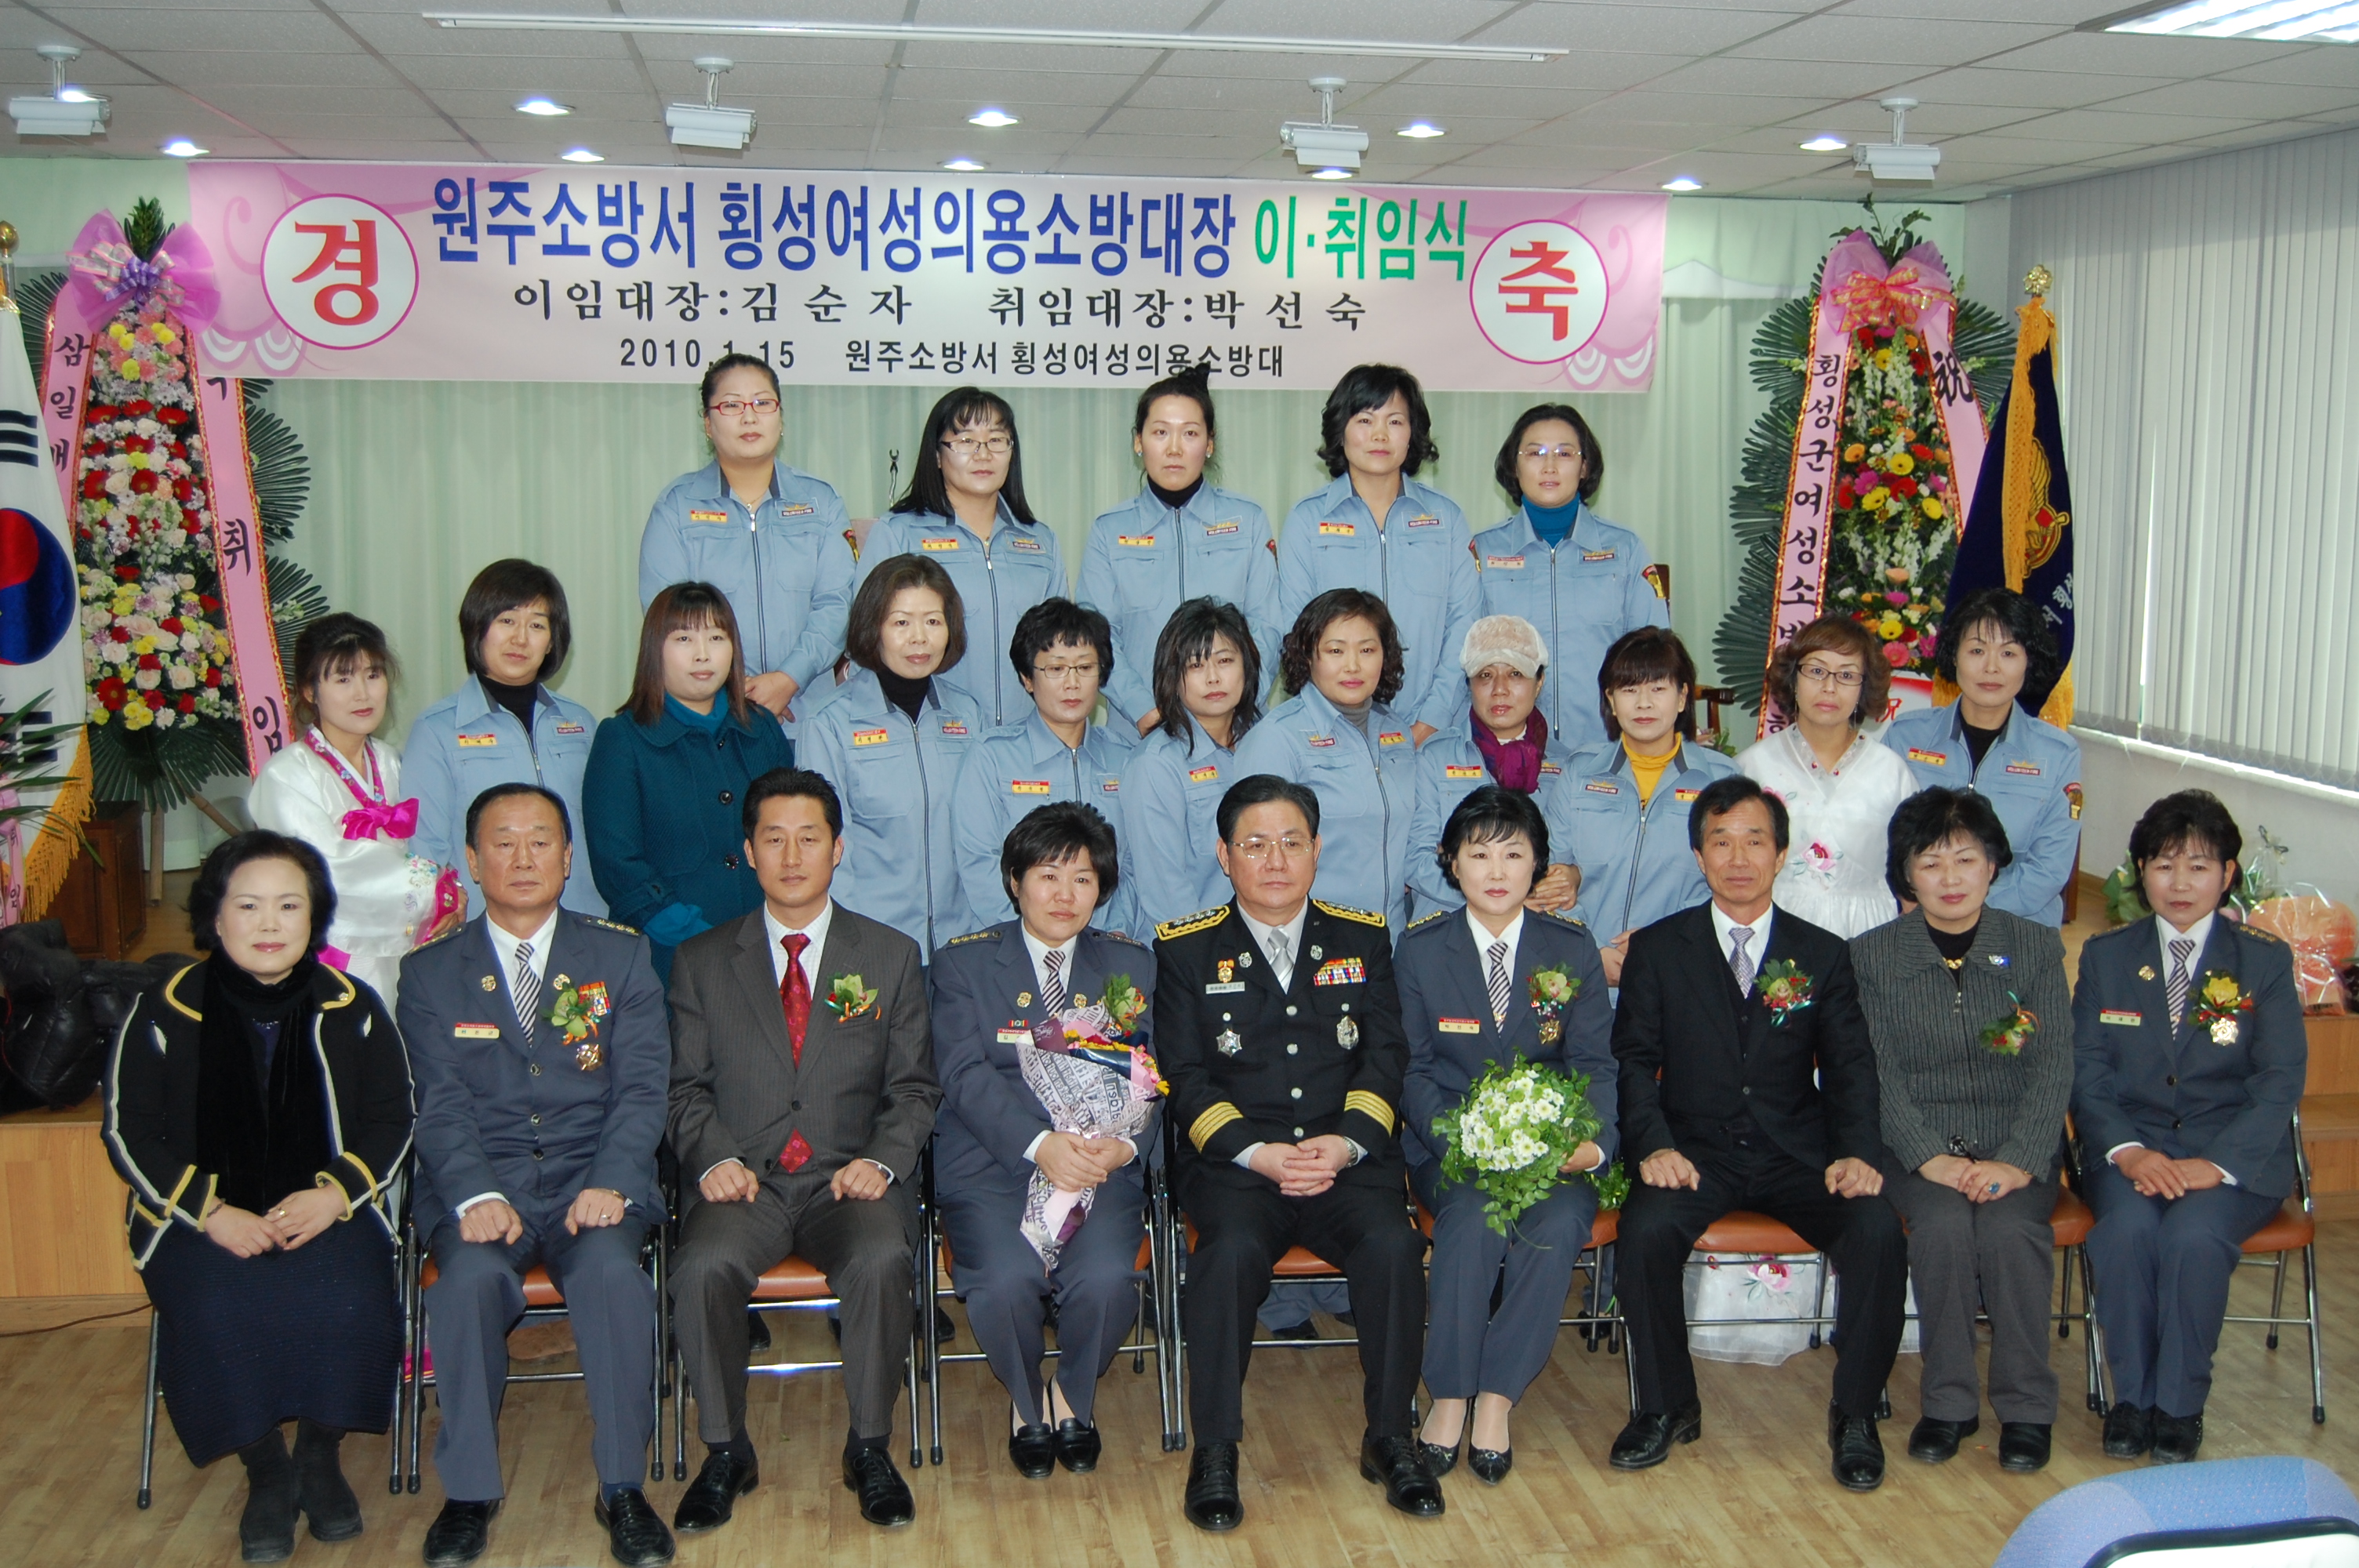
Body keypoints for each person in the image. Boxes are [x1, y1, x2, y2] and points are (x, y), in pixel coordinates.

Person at [101, 831, 413, 1565]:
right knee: (216, 1303)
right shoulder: (165, 1009)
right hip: (198, 1217)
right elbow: (127, 1129)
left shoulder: (352, 1006)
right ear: (216, 917)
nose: (269, 923)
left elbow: (393, 1118)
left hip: (326, 1207)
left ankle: (319, 1454)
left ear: (314, 918)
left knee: (352, 1295)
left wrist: (334, 1196)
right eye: (248, 905)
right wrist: (210, 1212)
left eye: (288, 905)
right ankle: (265, 1467)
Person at [1154, 775, 1439, 1532]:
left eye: (1291, 843)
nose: (1274, 861)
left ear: (1317, 850)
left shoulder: (1362, 937)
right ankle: (1216, 1449)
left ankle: (1390, 1437)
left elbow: (1386, 1058)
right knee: (1225, 1256)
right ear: (1224, 856)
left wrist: (1344, 1144)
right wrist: (1258, 1154)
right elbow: (1183, 1075)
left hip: (1347, 1161)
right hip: (1239, 1170)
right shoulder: (1185, 949)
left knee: (1394, 1248)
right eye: (1254, 845)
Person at [398, 784, 671, 1568]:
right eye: (503, 842)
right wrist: (475, 1194)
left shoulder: (619, 955)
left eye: (540, 840)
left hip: (595, 1181)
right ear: (472, 859)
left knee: (615, 1278)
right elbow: (436, 1103)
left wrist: (613, 1179)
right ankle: (469, 1492)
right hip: (484, 1187)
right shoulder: (429, 973)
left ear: (567, 856)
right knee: (466, 1283)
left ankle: (621, 1486)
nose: (523, 858)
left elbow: (643, 1087)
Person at [1607, 775, 1905, 1492]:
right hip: (1693, 1153)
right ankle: (1666, 1405)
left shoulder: (1822, 953)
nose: (1738, 858)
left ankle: (1855, 1414)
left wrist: (1856, 1153)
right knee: (1643, 1233)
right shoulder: (1659, 948)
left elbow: (1851, 1066)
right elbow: (1633, 1061)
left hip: (1796, 1153)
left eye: (1754, 841)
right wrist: (1653, 1145)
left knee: (1876, 1231)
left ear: (1781, 853)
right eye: (1721, 842)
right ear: (1699, 856)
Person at [666, 768, 941, 1531]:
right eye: (774, 839)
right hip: (742, 1182)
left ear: (837, 848)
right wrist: (712, 1156)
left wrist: (881, 1159)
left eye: (809, 838)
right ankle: (726, 1449)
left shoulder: (888, 954)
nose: (792, 857)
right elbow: (682, 1087)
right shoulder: (701, 960)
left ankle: (869, 1446)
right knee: (701, 1267)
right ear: (750, 851)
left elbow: (915, 1086)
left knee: (882, 1258)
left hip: (847, 1180)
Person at [2073, 789, 2305, 1466]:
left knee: (2194, 1238)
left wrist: (2218, 1165)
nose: (2180, 884)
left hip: (2232, 1159)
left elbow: (2279, 1079)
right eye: (2164, 865)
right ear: (2139, 872)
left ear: (2227, 874)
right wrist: (2128, 1151)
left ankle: (2178, 1407)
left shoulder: (2263, 960)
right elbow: (2086, 1070)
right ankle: (2132, 1401)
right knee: (2126, 1233)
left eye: (2199, 867)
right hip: (2129, 1151)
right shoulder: (2108, 956)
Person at [930, 802, 1156, 1479]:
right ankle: (1028, 1403)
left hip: (1098, 1166)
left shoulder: (1131, 965)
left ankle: (1073, 1397)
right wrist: (1039, 1145)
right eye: (1048, 876)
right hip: (994, 1164)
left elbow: (1154, 1074)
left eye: (1083, 879)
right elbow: (963, 1075)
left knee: (1109, 1279)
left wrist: (1126, 1147)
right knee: (1004, 1281)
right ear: (1015, 881)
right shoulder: (964, 965)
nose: (1065, 895)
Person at [1852, 789, 2072, 1474]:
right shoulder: (1872, 957)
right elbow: (1876, 1072)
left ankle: (2027, 1407)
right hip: (1915, 1149)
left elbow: (2054, 1065)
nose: (1950, 878)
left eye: (1966, 859)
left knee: (2011, 1231)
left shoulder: (2034, 947)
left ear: (1993, 865)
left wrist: (2018, 1161)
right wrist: (1929, 1158)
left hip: (2016, 1146)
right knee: (1943, 1229)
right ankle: (1948, 1403)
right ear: (1906, 875)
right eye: (1930, 863)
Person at [1398, 787, 1613, 1485]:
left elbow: (1595, 1064)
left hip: (1551, 1149)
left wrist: (1593, 1144)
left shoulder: (1570, 948)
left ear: (1538, 865)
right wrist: (1460, 1142)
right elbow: (1412, 1070)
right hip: (1452, 1148)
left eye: (1514, 855)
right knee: (1471, 1220)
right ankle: (1450, 1395)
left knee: (1558, 1222)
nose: (1496, 871)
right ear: (1451, 863)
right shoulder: (1421, 950)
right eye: (1479, 854)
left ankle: (1497, 1397)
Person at [583, 583, 796, 981]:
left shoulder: (762, 728)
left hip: (769, 948)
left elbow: (792, 833)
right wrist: (700, 939)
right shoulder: (623, 739)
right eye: (684, 638)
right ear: (655, 650)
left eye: (716, 637)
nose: (703, 654)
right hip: (668, 959)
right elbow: (618, 866)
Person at [249, 612, 455, 1011]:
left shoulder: (392, 761)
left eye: (373, 675)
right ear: (309, 691)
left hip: (405, 939)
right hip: (336, 948)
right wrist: (434, 888)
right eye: (343, 679)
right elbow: (326, 869)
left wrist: (449, 886)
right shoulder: (286, 776)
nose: (363, 694)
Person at [637, 352, 855, 729]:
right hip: (711, 717)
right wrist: (736, 692)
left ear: (780, 418)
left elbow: (837, 603)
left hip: (810, 717)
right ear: (708, 423)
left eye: (763, 403)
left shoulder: (822, 502)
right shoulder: (676, 507)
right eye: (732, 405)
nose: (749, 417)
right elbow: (669, 616)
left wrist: (788, 679)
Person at [1276, 364, 1481, 745]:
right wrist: (1339, 725)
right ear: (1341, 430)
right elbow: (1296, 632)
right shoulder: (1308, 520)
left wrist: (1431, 721)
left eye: (1395, 421)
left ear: (1413, 433)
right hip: (1335, 733)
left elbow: (1465, 624)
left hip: (1436, 731)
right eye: (1365, 420)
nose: (1380, 435)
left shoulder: (1446, 519)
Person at [1078, 363, 1281, 735]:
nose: (1174, 448)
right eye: (1160, 432)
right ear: (1138, 441)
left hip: (1235, 732)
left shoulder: (1248, 520)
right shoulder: (1109, 531)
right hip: (1140, 733)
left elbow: (1268, 626)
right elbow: (1098, 638)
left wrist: (1238, 704)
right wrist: (1145, 711)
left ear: (1210, 444)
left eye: (1190, 433)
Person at [797, 554, 984, 959]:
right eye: (901, 623)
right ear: (873, 628)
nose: (919, 638)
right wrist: (853, 943)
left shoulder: (969, 716)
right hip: (873, 946)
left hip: (964, 942)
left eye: (933, 621)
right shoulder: (830, 725)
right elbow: (822, 847)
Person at [405, 560, 605, 917]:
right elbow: (425, 851)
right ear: (477, 627)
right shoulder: (437, 731)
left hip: (582, 924)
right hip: (483, 930)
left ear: (552, 641)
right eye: (507, 621)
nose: (520, 639)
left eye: (537, 625)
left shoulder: (581, 724)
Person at [855, 387, 1063, 728]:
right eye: (966, 441)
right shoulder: (899, 534)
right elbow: (866, 644)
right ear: (937, 455)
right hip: (938, 733)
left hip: (1025, 737)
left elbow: (1060, 649)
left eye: (996, 440)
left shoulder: (1041, 541)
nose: (984, 454)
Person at [1548, 626, 1738, 985]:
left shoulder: (1721, 781)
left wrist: (1661, 944)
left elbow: (1733, 884)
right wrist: (1589, 952)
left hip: (1680, 976)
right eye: (1629, 689)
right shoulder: (1578, 773)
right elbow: (1548, 877)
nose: (1644, 703)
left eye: (1658, 688)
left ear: (1682, 697)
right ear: (1610, 699)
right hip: (1582, 978)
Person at [1472, 403, 1670, 748]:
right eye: (1535, 453)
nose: (1549, 466)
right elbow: (1464, 657)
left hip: (1607, 748)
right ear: (1514, 467)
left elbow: (1654, 656)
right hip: (1507, 751)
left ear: (1585, 466)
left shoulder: (1624, 549)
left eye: (1564, 453)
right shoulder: (1482, 552)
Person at [1882, 587, 2082, 924]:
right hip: (1918, 921)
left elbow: (2049, 870)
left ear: (2028, 661)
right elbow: (1883, 839)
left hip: (2016, 927)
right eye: (1977, 650)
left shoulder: (2058, 754)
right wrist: (1923, 903)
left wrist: (1956, 907)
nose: (1991, 668)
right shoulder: (1906, 736)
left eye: (2008, 653)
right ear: (1954, 656)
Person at [1233, 589, 1419, 932]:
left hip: (1392, 937)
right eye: (1336, 651)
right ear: (1308, 656)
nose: (1353, 665)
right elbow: (1253, 857)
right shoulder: (1277, 737)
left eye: (1367, 650)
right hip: (1313, 939)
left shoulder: (1396, 731)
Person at [954, 598, 1139, 939]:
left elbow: (1135, 865)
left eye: (1085, 667)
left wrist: (1113, 933)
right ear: (1027, 678)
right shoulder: (991, 757)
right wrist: (1034, 939)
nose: (1072, 683)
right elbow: (979, 863)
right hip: (1016, 947)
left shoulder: (1126, 759)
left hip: (1107, 944)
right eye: (1056, 669)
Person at [1739, 615, 1919, 938]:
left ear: (1864, 687)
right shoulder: (1752, 768)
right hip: (1774, 933)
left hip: (1869, 937)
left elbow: (1915, 869)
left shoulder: (1892, 773)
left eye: (1847, 675)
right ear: (1793, 678)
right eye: (1817, 671)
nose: (1829, 687)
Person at [1407, 615, 1579, 916]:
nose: (1500, 689)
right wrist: (1505, 896)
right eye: (1485, 675)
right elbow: (1416, 859)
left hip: (1536, 927)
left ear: (1539, 682)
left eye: (1516, 674)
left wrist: (1574, 875)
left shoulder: (1567, 766)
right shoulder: (1435, 757)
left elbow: (1570, 860)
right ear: (1469, 684)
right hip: (1450, 924)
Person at [1119, 597, 1263, 931]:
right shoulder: (1155, 765)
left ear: (1247, 666)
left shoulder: (1267, 743)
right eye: (1196, 666)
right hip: (1194, 946)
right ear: (1172, 677)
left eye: (1225, 661)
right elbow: (1167, 895)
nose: (1213, 678)